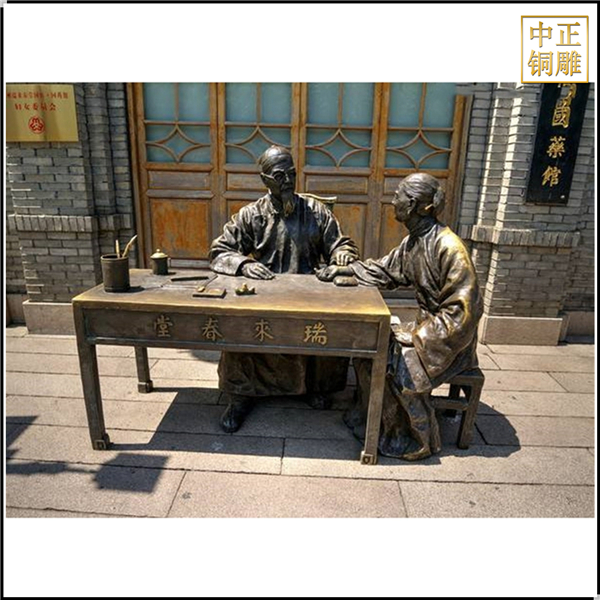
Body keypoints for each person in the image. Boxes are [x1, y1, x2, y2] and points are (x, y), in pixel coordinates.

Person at [317, 172, 483, 460]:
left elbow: (464, 313)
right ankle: (373, 421)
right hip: (427, 328)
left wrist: (418, 336)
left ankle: (413, 438)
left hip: (448, 341)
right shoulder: (415, 240)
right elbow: (384, 271)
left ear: (415, 204)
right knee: (367, 350)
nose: (393, 201)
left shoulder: (450, 247)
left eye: (398, 197)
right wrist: (343, 269)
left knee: (397, 365)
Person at [209, 145, 360, 433]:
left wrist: (342, 254)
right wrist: (243, 264)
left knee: (328, 326)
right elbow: (220, 251)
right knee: (238, 328)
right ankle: (241, 396)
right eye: (280, 176)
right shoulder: (250, 215)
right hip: (264, 295)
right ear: (265, 180)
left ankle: (314, 387)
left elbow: (341, 243)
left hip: (308, 295)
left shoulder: (315, 211)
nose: (288, 181)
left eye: (291, 174)